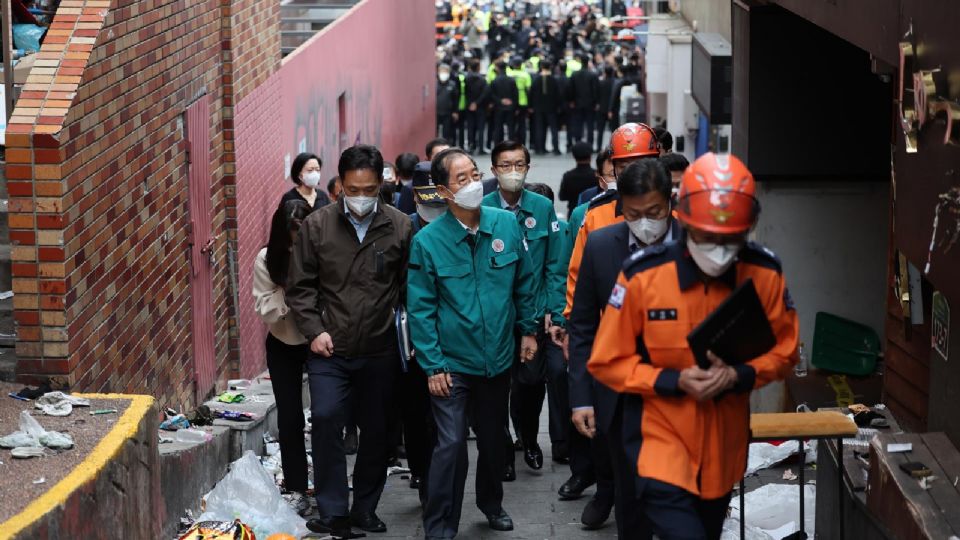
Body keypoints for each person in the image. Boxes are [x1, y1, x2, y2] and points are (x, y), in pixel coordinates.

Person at [588, 153, 799, 540]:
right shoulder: (643, 276)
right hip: (660, 448)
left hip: (724, 454)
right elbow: (607, 362)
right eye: (706, 236)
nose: (717, 247)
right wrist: (673, 381)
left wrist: (741, 374)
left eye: (729, 237)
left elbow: (786, 351)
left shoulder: (765, 274)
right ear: (683, 217)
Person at [408, 147, 539, 538]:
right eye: (460, 179)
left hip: (497, 358)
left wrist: (529, 330)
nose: (471, 184)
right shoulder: (428, 242)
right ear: (444, 192)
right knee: (450, 446)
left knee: (494, 438)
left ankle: (491, 503)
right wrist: (432, 365)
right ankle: (440, 524)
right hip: (451, 364)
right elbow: (420, 308)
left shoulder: (505, 225)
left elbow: (524, 282)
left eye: (474, 175)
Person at [286, 145, 413, 537]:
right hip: (330, 348)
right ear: (340, 185)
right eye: (354, 189)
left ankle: (365, 508)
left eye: (370, 189)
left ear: (381, 186)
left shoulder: (399, 226)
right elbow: (299, 287)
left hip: (380, 349)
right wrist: (314, 331)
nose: (361, 197)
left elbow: (409, 288)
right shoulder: (317, 226)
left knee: (378, 432)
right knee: (325, 419)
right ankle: (333, 509)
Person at [566, 158, 678, 536]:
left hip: (684, 395)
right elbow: (583, 327)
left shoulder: (697, 244)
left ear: (670, 203)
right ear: (621, 209)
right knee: (631, 499)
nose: (646, 222)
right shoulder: (600, 246)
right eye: (634, 213)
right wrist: (581, 397)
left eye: (655, 212)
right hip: (622, 398)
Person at [480, 140, 566, 479]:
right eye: (505, 165)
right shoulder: (483, 207)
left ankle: (528, 439)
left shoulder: (542, 207)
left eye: (519, 165)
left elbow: (555, 265)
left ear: (528, 169)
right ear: (493, 170)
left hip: (533, 311)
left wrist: (553, 312)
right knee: (495, 386)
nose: (512, 172)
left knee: (530, 382)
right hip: (496, 315)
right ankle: (501, 450)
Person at [253, 199, 314, 518]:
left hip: (318, 339)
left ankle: (330, 491)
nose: (296, 242)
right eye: (291, 235)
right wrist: (290, 286)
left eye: (301, 234)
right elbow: (267, 310)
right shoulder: (267, 259)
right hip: (283, 340)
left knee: (328, 415)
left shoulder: (320, 253)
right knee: (289, 419)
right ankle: (296, 489)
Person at [564, 122, 660, 320]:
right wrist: (573, 326)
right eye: (624, 168)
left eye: (641, 165)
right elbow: (578, 277)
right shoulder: (595, 215)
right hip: (606, 327)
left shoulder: (676, 216)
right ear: (614, 171)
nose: (634, 175)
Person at [529, 59, 563, 156]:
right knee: (553, 128)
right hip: (551, 108)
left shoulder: (536, 79)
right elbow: (558, 95)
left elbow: (531, 94)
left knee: (539, 128)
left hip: (538, 108)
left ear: (541, 67)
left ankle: (540, 148)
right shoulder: (554, 80)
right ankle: (556, 148)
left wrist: (531, 106)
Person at [567, 54, 599, 150]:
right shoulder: (593, 75)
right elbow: (595, 90)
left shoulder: (574, 74)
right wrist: (596, 102)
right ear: (588, 62)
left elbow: (571, 89)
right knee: (590, 125)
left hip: (577, 103)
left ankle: (577, 143)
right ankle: (590, 145)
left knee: (578, 124)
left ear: (580, 62)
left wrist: (571, 100)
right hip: (590, 104)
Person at [558, 142, 596, 217]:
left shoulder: (568, 176)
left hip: (573, 213)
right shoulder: (597, 175)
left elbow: (562, 197)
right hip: (593, 213)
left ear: (574, 156)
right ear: (590, 156)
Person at [464, 58, 490, 155]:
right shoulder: (483, 79)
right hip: (480, 107)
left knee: (471, 127)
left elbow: (465, 93)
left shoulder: (466, 78)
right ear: (478, 67)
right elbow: (485, 93)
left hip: (469, 106)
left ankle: (471, 146)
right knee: (481, 127)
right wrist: (477, 103)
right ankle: (481, 147)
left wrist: (471, 103)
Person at [490, 61, 519, 144]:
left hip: (498, 107)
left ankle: (498, 145)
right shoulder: (512, 80)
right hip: (510, 107)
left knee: (498, 127)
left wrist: (500, 101)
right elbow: (516, 94)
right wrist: (514, 104)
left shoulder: (494, 81)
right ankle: (511, 144)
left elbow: (491, 95)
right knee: (511, 128)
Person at [437, 63, 461, 141]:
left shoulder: (452, 85)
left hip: (448, 113)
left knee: (447, 133)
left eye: (445, 71)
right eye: (442, 71)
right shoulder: (434, 84)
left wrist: (455, 111)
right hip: (436, 113)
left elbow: (456, 99)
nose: (443, 73)